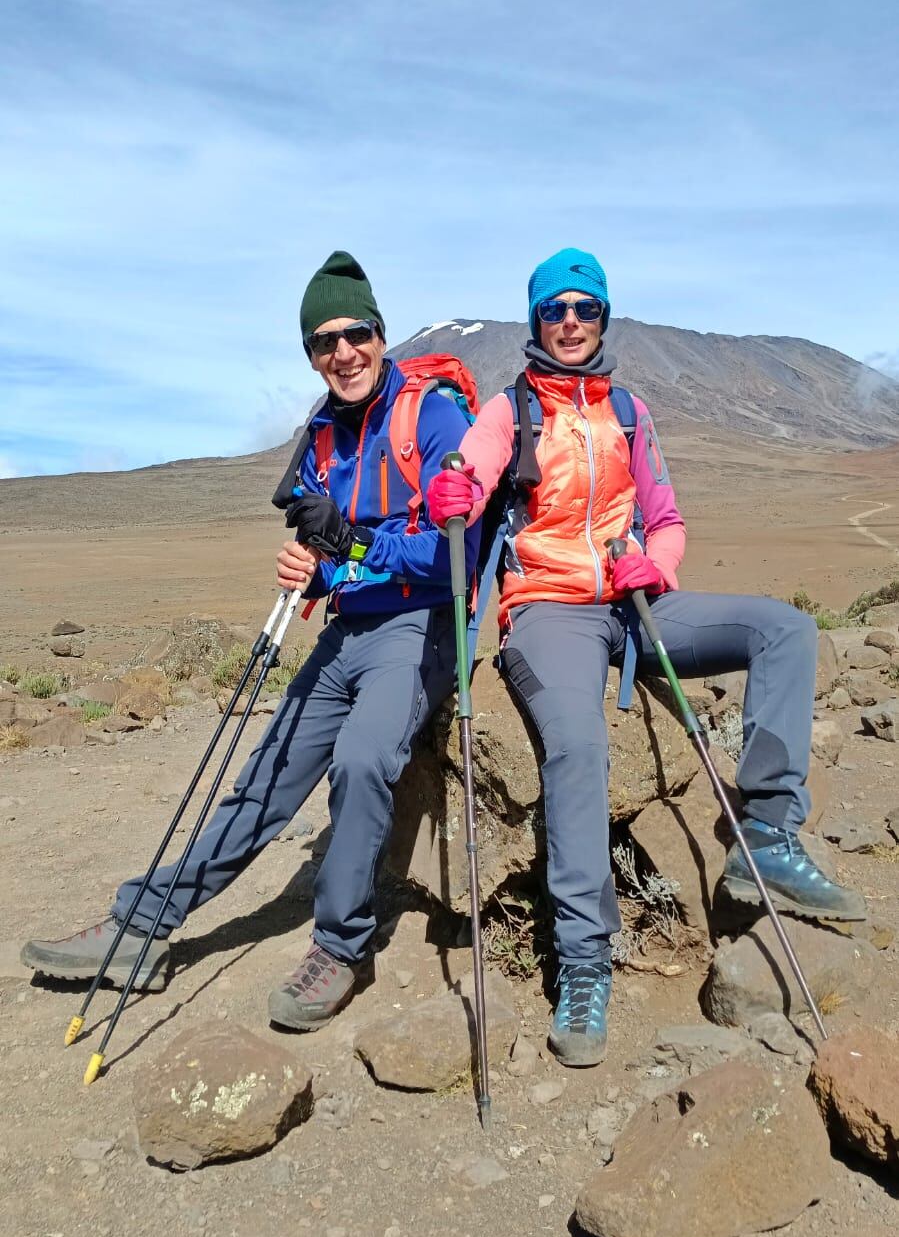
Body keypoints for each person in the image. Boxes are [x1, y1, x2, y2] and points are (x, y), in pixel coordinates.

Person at [426, 246, 865, 1069]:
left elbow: (663, 517)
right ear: (534, 321)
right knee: (578, 743)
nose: (568, 323)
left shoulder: (630, 410)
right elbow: (469, 474)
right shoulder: (507, 409)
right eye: (553, 310)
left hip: (634, 601)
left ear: (602, 317)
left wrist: (654, 564)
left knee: (786, 630)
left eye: (583, 309)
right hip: (550, 607)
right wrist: (452, 488)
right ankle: (585, 960)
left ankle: (765, 833)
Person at [23, 251, 478, 1031]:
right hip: (348, 627)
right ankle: (142, 925)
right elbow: (327, 546)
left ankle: (339, 946)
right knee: (260, 782)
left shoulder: (432, 415)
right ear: (310, 352)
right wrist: (313, 569)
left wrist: (355, 545)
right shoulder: (324, 436)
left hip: (420, 627)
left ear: (379, 332)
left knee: (363, 761)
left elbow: (453, 554)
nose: (342, 352)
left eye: (355, 333)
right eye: (322, 341)